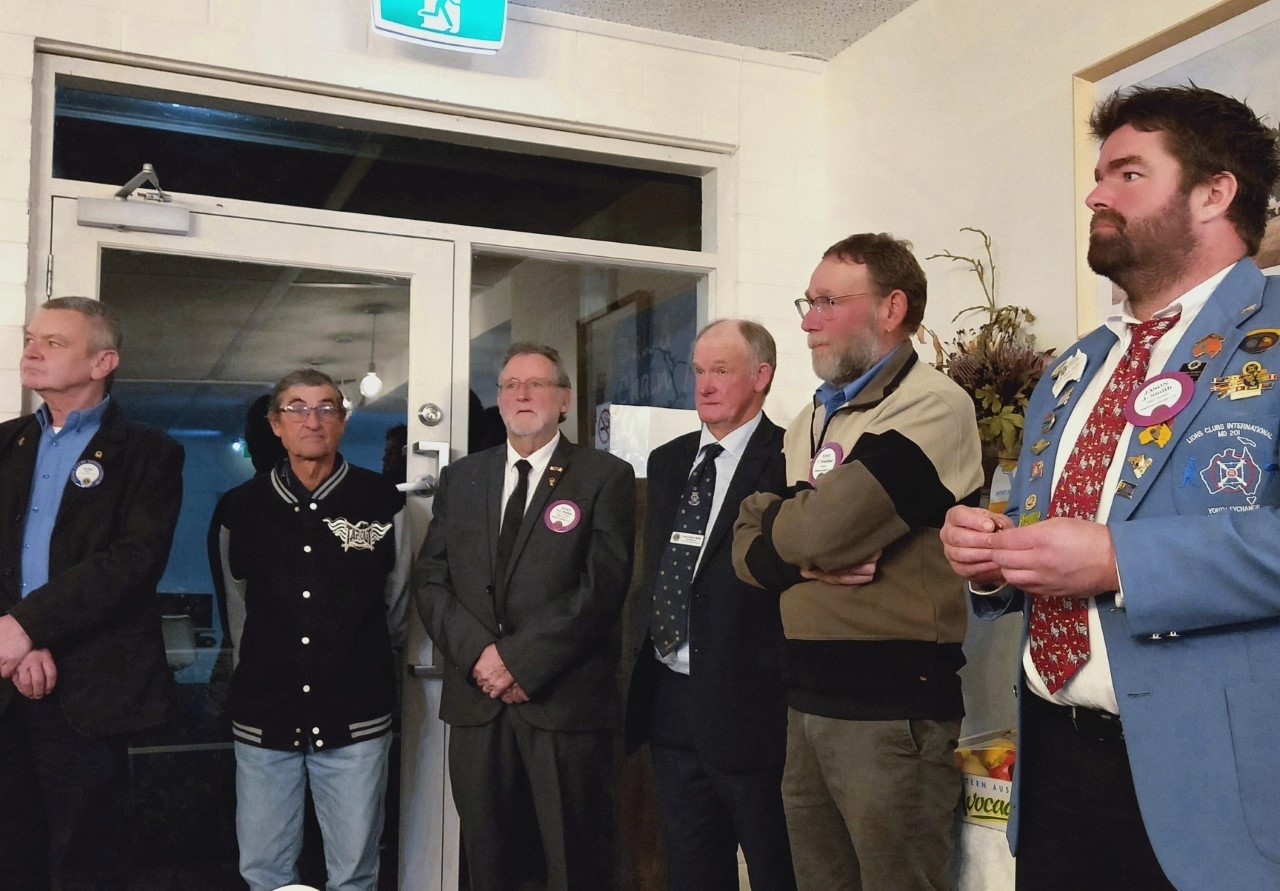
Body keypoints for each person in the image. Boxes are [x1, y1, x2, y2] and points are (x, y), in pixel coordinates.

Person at [941, 85, 1280, 889]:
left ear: (1214, 192)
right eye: (1098, 174)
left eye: (1127, 173)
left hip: (1216, 789)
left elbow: (1107, 546)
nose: (1094, 193)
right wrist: (996, 556)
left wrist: (1121, 559)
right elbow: (1051, 531)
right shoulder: (1074, 368)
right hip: (1054, 763)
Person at [733, 234, 983, 891]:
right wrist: (798, 545)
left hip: (892, 714)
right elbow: (747, 548)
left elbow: (820, 527)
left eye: (826, 301)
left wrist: (785, 531)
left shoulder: (933, 404)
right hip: (805, 701)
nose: (806, 319)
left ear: (891, 307)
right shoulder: (808, 421)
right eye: (807, 301)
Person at [415, 342, 635, 890]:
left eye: (536, 384)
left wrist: (519, 661)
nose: (522, 394)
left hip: (563, 705)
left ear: (563, 399)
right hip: (478, 704)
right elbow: (432, 580)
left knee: (573, 863)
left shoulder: (604, 476)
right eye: (511, 385)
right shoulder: (463, 478)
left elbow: (601, 588)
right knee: (488, 864)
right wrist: (481, 660)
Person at [0, 295, 185, 889]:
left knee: (86, 858)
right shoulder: (3, 445)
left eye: (53, 343)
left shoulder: (150, 451)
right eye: (31, 338)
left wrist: (29, 627)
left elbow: (132, 562)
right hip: (6, 671)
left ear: (104, 361)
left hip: (91, 685)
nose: (31, 350)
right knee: (11, 849)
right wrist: (16, 638)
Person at [214, 368, 410, 891]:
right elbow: (239, 610)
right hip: (265, 714)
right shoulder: (241, 507)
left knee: (354, 872)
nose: (313, 419)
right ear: (276, 424)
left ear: (343, 422)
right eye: (297, 408)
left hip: (356, 712)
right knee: (266, 871)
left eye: (327, 407)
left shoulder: (382, 503)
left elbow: (398, 601)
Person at [625, 319, 794, 891]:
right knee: (693, 870)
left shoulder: (792, 458)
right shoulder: (670, 461)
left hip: (752, 704)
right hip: (671, 698)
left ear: (761, 376)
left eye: (721, 371)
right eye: (698, 371)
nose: (704, 385)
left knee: (776, 869)